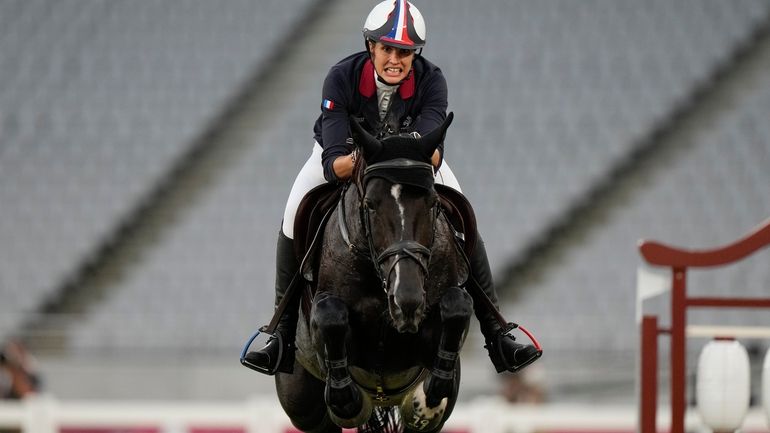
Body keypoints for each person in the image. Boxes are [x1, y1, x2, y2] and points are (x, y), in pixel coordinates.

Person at [245, 0, 540, 376]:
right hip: (348, 159)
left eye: (404, 51)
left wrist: (398, 158)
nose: (395, 59)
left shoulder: (432, 80)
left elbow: (432, 152)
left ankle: (498, 332)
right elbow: (334, 162)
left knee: (463, 211)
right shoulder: (341, 77)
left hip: (410, 166)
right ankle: (281, 335)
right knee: (294, 212)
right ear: (371, 47)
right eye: (387, 49)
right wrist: (372, 161)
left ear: (414, 53)